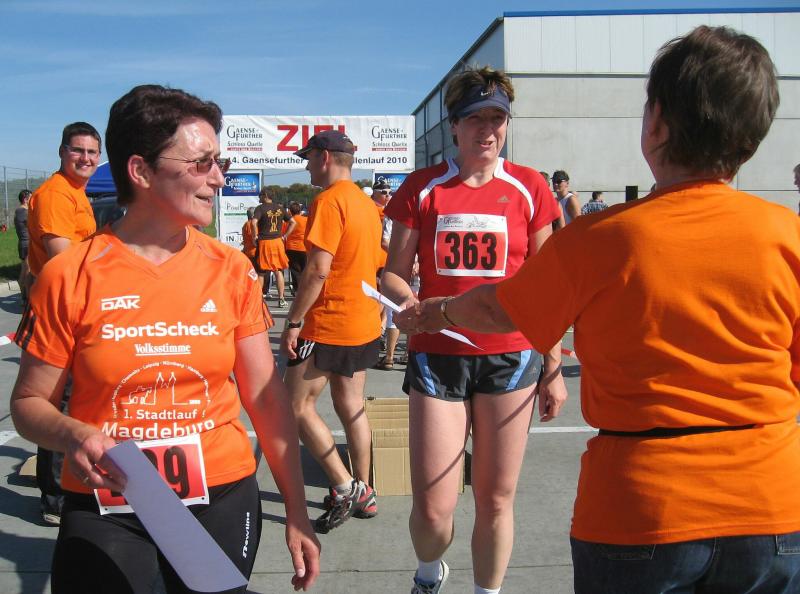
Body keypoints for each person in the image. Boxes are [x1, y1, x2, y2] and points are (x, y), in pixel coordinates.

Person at [399, 26, 800, 594]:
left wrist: (438, 312)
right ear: (754, 137)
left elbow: (503, 308)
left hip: (642, 507)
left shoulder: (597, 238)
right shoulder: (789, 236)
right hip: (773, 507)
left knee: (495, 497)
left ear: (655, 124)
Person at [11, 84, 319, 593]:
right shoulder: (69, 275)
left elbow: (267, 401)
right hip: (108, 499)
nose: (218, 178)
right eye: (202, 163)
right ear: (141, 171)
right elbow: (27, 405)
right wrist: (74, 436)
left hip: (221, 495)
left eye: (218, 162)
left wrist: (296, 510)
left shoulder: (230, 269)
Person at [381, 66, 568, 594]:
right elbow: (393, 273)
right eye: (475, 119)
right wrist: (405, 301)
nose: (487, 130)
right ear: (454, 126)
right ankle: (428, 571)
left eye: (497, 119)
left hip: (512, 356)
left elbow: (550, 286)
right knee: (433, 507)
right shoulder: (423, 188)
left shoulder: (530, 187)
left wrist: (553, 366)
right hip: (437, 354)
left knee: (495, 499)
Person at [280, 130, 383, 534]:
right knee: (351, 406)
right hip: (363, 320)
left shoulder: (328, 200)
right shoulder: (366, 203)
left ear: (324, 157)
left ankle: (344, 486)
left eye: (308, 158)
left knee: (295, 406)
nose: (306, 166)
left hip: (328, 321)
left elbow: (318, 270)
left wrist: (293, 321)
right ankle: (365, 489)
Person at [26, 121, 101, 526]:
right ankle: (55, 497)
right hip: (61, 312)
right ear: (62, 152)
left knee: (72, 400)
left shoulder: (76, 193)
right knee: (63, 403)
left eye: (92, 152)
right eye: (78, 150)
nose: (85, 158)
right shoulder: (56, 194)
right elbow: (62, 262)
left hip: (73, 309)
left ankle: (59, 488)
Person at [254, 186, 289, 308]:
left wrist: (255, 236)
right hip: (277, 242)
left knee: (261, 272)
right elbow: (292, 222)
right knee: (278, 271)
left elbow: (253, 222)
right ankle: (281, 298)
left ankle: (258, 299)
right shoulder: (280, 208)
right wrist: (285, 236)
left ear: (265, 196)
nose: (259, 198)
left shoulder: (260, 208)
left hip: (265, 241)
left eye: (260, 195)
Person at [283, 202, 308, 294]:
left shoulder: (288, 222)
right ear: (300, 210)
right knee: (304, 269)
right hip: (304, 247)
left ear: (290, 211)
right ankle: (304, 289)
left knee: (294, 270)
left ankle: (297, 289)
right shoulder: (306, 220)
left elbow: (284, 234)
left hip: (291, 247)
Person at [14, 189, 31, 304]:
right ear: (25, 199)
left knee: (26, 270)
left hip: (25, 243)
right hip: (26, 244)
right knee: (27, 271)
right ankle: (25, 298)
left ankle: (24, 298)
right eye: (31, 198)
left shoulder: (21, 211)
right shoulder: (22, 211)